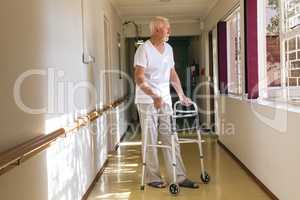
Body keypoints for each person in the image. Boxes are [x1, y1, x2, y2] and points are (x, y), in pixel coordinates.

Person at [134, 16, 199, 189]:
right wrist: (154, 95)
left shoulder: (169, 49)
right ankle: (152, 177)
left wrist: (182, 95)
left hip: (165, 101)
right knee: (151, 139)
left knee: (171, 138)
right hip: (147, 100)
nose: (169, 31)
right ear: (156, 30)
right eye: (166, 28)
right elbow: (139, 78)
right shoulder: (143, 50)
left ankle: (178, 177)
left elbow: (172, 74)